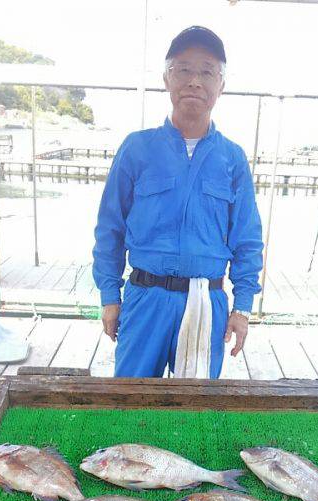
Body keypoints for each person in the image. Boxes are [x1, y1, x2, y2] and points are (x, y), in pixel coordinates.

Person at [93, 25, 263, 378]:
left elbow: (247, 240)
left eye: (207, 71)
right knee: (130, 403)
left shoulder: (232, 158)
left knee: (194, 414)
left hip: (206, 302)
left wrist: (242, 308)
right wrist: (111, 296)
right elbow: (110, 229)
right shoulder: (137, 148)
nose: (195, 81)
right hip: (144, 298)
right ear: (166, 78)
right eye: (183, 69)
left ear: (221, 85)